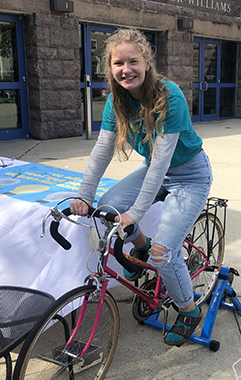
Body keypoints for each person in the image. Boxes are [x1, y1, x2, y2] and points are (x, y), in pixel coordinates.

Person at [70, 28, 212, 347]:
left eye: (133, 61)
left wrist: (135, 213)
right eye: (118, 63)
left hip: (189, 176)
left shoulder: (169, 95)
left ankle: (188, 311)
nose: (126, 69)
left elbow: (162, 162)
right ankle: (141, 247)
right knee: (107, 209)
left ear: (147, 62)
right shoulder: (117, 101)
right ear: (110, 67)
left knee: (164, 255)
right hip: (153, 171)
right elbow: (102, 151)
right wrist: (84, 194)